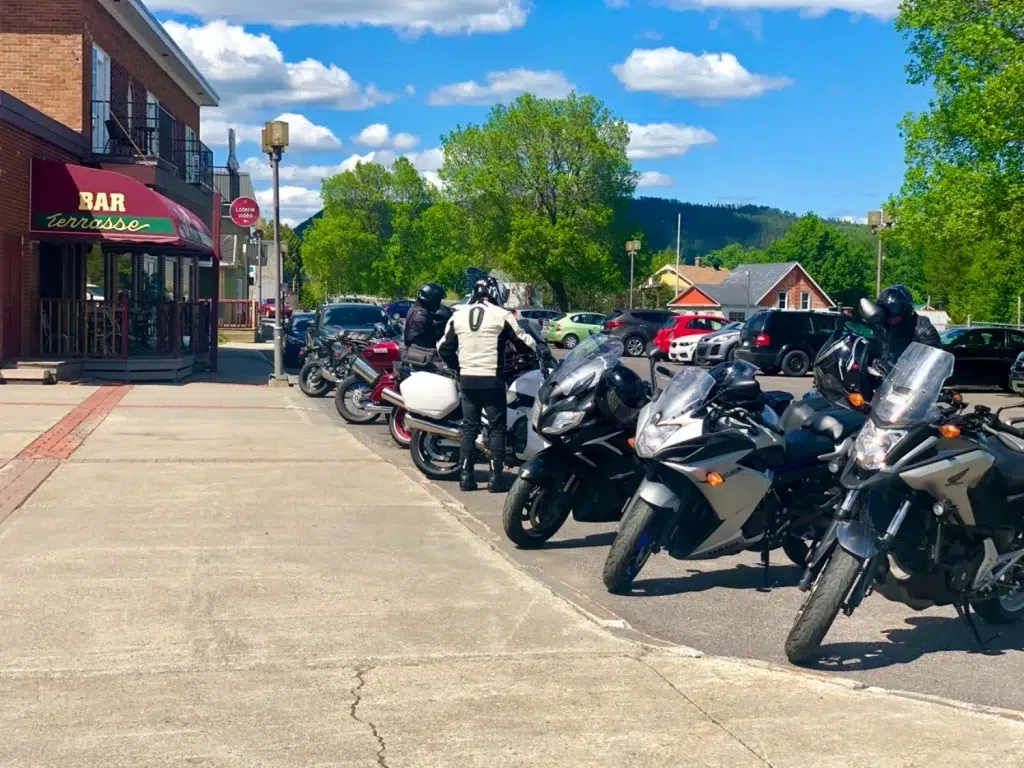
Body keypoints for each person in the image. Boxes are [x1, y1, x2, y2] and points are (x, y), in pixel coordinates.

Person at [437, 276, 552, 493]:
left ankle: (465, 477)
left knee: (470, 428)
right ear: (495, 293)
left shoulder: (459, 315)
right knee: (497, 427)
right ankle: (495, 478)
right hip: (492, 380)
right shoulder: (502, 315)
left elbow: (443, 347)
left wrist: (459, 368)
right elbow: (524, 338)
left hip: (468, 380)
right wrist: (542, 352)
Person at [876, 284, 940, 362]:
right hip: (888, 374)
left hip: (913, 372)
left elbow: (934, 358)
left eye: (895, 317)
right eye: (888, 318)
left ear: (906, 313)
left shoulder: (923, 328)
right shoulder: (881, 328)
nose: (892, 321)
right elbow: (877, 351)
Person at [403, 283, 449, 366]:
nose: (439, 303)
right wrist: (432, 357)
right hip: (420, 359)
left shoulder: (416, 309)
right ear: (432, 299)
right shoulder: (421, 314)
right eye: (438, 300)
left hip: (419, 357)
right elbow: (415, 340)